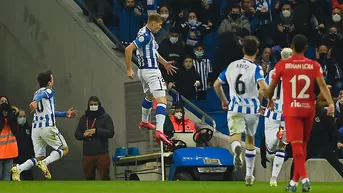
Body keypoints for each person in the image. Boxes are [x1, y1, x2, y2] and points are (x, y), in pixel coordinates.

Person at [265, 34, 335, 192]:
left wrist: (269, 99)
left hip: (293, 109)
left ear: (292, 46)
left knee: (297, 146)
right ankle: (293, 183)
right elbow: (323, 86)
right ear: (305, 48)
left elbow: (271, 88)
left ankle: (305, 178)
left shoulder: (283, 66)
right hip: (308, 109)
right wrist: (330, 103)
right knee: (302, 146)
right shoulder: (313, 65)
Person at [213, 36, 268, 186]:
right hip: (251, 109)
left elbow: (216, 85)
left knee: (235, 137)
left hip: (235, 107)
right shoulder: (256, 68)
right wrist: (261, 103)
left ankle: (237, 148)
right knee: (250, 139)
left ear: (243, 49)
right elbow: (262, 88)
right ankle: (249, 176)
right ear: (257, 51)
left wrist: (224, 101)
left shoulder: (232, 66)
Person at [11, 70, 77, 181]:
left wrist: (65, 114)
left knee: (38, 157)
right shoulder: (49, 91)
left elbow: (51, 112)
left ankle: (19, 168)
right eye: (52, 79)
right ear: (49, 82)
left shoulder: (36, 93)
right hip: (47, 127)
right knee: (64, 149)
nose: (53, 80)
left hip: (36, 129)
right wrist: (35, 101)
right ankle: (45, 163)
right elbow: (44, 94)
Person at [125, 13, 177, 147]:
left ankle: (144, 121)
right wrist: (129, 69)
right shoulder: (146, 36)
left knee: (149, 96)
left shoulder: (144, 32)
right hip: (151, 71)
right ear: (153, 23)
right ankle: (159, 130)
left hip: (143, 71)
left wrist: (165, 63)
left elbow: (153, 52)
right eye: (159, 25)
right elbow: (128, 49)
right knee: (162, 101)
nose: (160, 28)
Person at [263, 47, 293, 187]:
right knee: (281, 147)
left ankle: (274, 178)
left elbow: (267, 90)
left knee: (272, 148)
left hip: (273, 114)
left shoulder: (272, 72)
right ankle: (273, 178)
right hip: (287, 115)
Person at [74, 96, 115, 180]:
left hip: (102, 154)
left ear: (99, 105)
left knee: (105, 178)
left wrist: (96, 131)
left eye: (95, 104)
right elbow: (77, 134)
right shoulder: (83, 118)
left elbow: (110, 133)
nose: (93, 106)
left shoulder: (105, 117)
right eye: (91, 104)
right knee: (89, 179)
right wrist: (83, 135)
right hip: (87, 154)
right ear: (88, 105)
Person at [13, 109, 35, 180]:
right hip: (15, 158)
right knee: (15, 178)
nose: (22, 118)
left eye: (24, 116)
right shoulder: (13, 129)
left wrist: (33, 155)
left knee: (29, 178)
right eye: (20, 116)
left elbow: (32, 143)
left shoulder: (29, 128)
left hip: (26, 158)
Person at [0, 102, 18, 181]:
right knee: (6, 176)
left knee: (5, 176)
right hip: (10, 152)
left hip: (7, 152)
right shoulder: (12, 122)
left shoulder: (12, 122)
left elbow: (17, 111)